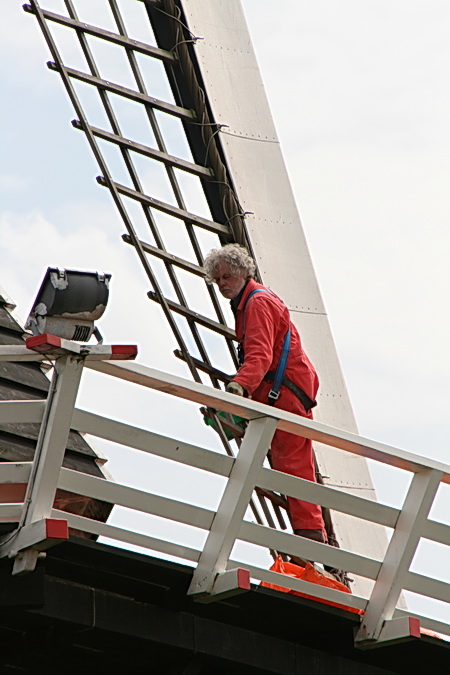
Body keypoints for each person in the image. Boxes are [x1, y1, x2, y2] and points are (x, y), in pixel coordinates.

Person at [203, 243, 326, 545]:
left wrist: (238, 387)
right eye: (217, 279)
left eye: (227, 277)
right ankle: (310, 540)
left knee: (293, 468)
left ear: (243, 272)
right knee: (290, 466)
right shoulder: (250, 302)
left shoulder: (257, 303)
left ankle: (312, 543)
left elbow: (259, 356)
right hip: (277, 390)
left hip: (283, 392)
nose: (222, 284)